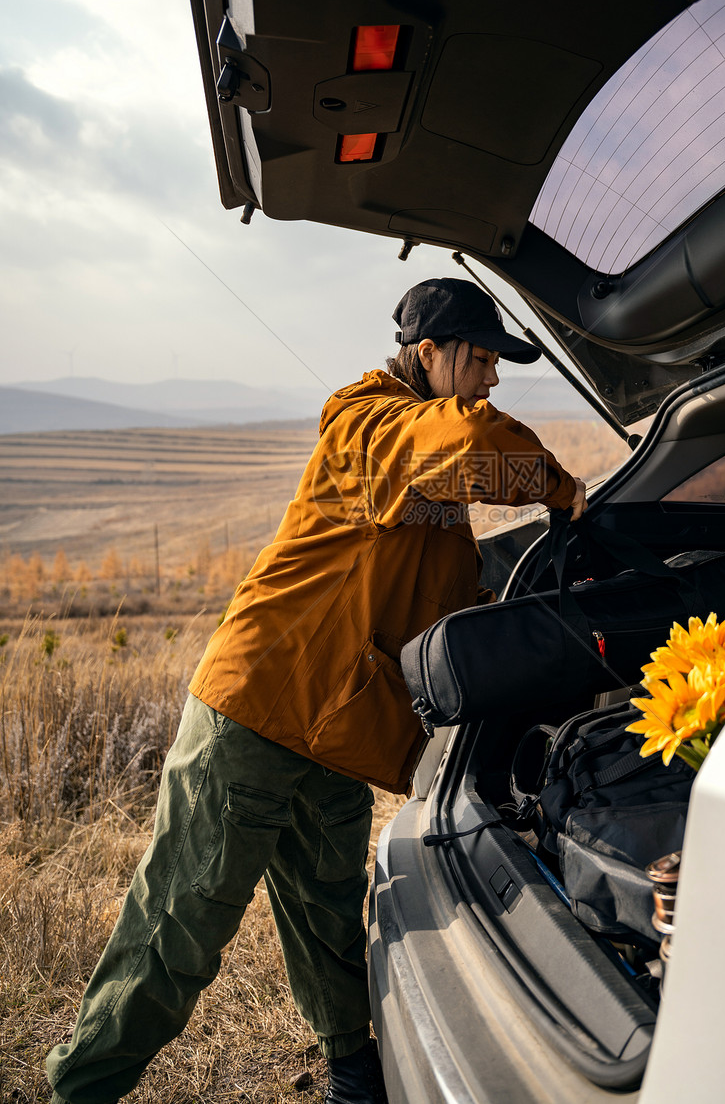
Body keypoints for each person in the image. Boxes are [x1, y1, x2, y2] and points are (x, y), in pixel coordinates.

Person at [46, 278, 587, 1104]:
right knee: (180, 923)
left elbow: (433, 592)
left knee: (330, 914)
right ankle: (79, 1087)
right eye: (480, 359)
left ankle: (354, 1077)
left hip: (338, 724)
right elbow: (471, 447)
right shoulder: (365, 421)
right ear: (429, 354)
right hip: (258, 710)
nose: (491, 378)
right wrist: (560, 487)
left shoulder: (426, 450)